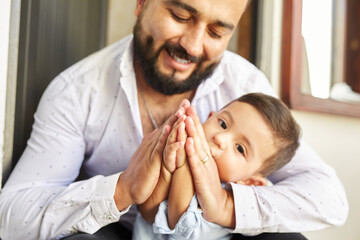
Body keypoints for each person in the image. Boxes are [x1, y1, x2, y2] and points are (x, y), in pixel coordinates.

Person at [0, 0, 348, 239]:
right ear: (141, 3)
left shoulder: (244, 87)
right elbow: (11, 215)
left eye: (216, 33)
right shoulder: (77, 92)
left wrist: (225, 205)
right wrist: (120, 190)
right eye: (181, 16)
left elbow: (329, 199)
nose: (193, 46)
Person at [132, 93, 301, 240]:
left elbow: (178, 219)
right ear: (210, 117)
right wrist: (167, 170)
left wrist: (186, 161)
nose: (221, 138)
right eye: (222, 124)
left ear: (249, 182)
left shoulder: (226, 199)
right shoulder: (174, 148)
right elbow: (147, 213)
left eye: (240, 148)